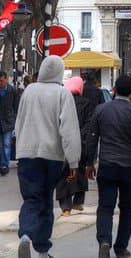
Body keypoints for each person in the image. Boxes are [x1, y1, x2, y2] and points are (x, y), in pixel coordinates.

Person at [15, 56, 82, 258]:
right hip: (52, 156)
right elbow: (69, 130)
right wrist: (73, 162)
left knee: (31, 199)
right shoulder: (62, 94)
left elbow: (19, 122)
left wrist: (20, 148)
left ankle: (26, 236)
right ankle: (43, 250)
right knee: (45, 200)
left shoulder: (29, 91)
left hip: (27, 154)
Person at [86, 75, 131, 258]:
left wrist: (89, 163)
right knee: (127, 207)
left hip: (107, 166)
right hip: (128, 167)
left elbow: (92, 138)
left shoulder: (101, 110)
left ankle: (104, 241)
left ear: (114, 90)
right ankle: (121, 247)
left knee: (105, 207)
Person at [55, 77, 92, 217]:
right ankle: (78, 201)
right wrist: (80, 137)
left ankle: (65, 207)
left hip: (63, 143)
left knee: (63, 174)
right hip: (81, 144)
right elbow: (89, 124)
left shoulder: (62, 102)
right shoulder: (87, 104)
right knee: (80, 171)